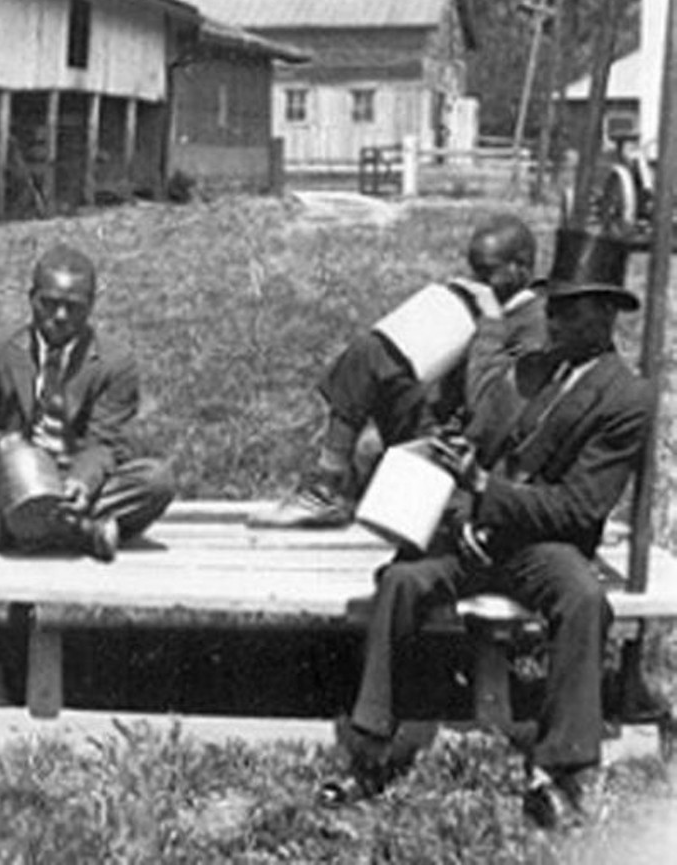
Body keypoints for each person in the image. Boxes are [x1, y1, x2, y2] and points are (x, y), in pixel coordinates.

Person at [320, 228, 653, 830]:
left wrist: (485, 496)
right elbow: (477, 444)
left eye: (571, 311)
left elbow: (580, 507)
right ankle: (368, 748)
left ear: (607, 315)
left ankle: (562, 769)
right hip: (479, 532)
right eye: (552, 307)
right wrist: (456, 476)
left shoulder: (625, 399)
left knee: (582, 598)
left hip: (545, 547)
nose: (554, 322)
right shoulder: (527, 372)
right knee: (401, 580)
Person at [253, 214, 545, 528]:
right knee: (373, 352)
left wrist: (489, 322)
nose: (479, 281)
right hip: (444, 428)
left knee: (373, 356)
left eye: (488, 272)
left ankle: (328, 487)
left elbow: (489, 409)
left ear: (521, 267)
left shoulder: (536, 324)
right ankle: (330, 482)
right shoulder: (498, 306)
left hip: (472, 455)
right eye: (475, 270)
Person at [0, 243, 175, 561]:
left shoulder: (115, 362)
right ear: (31, 298)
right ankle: (81, 532)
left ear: (92, 306)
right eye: (49, 304)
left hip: (75, 480)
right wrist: (7, 445)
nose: (60, 316)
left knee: (156, 481)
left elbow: (107, 445)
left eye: (74, 307)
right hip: (12, 474)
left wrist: (82, 481)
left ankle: (14, 527)